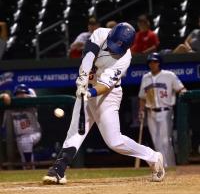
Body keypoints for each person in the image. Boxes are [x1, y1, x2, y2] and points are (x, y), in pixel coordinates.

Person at [43, 23, 165, 184]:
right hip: (87, 85)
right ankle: (59, 169)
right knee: (76, 131)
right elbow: (88, 56)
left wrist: (89, 93)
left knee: (114, 141)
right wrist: (83, 79)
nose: (114, 49)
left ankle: (153, 157)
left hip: (107, 95)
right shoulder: (100, 34)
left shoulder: (125, 58)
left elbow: (106, 85)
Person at [138, 52, 186, 167]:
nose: (152, 64)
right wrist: (141, 110)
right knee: (156, 141)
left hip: (166, 111)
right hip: (151, 112)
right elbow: (142, 97)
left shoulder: (169, 75)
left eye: (155, 62)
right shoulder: (146, 77)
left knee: (165, 141)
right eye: (150, 62)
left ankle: (169, 166)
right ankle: (161, 166)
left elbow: (182, 89)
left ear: (159, 63)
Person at [2, 84, 41, 169]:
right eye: (18, 93)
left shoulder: (31, 103)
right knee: (24, 158)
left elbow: (32, 95)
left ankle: (28, 164)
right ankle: (30, 173)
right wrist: (4, 95)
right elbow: (3, 98)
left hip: (33, 134)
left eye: (23, 93)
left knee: (26, 141)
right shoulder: (11, 105)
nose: (21, 95)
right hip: (20, 136)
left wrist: (26, 94)